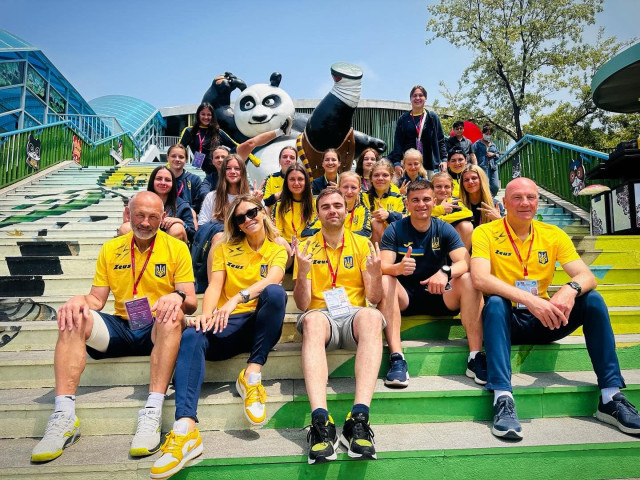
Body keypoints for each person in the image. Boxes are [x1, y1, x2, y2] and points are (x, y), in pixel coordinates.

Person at [31, 191, 197, 463]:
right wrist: (78, 300)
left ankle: (152, 411)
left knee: (172, 315)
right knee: (75, 315)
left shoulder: (176, 248)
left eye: (153, 217)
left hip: (156, 328)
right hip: (122, 326)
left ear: (163, 217)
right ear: (128, 214)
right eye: (139, 215)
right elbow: (96, 300)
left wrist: (176, 296)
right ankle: (63, 416)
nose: (145, 222)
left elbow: (190, 301)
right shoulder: (111, 248)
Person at [470, 177, 640, 439]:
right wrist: (530, 300)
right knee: (494, 302)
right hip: (506, 322)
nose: (524, 203)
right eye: (517, 197)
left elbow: (587, 276)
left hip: (545, 320)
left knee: (593, 300)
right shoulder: (485, 232)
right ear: (504, 202)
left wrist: (569, 290)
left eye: (530, 197)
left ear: (538, 202)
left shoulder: (553, 234)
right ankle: (502, 398)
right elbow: (480, 278)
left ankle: (610, 397)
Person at [150, 195, 287, 478]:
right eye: (240, 218)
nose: (248, 220)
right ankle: (185, 429)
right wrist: (206, 314)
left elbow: (272, 280)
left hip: (260, 325)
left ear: (263, 212)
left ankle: (251, 375)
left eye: (252, 212)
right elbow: (214, 286)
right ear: (236, 224)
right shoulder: (225, 248)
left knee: (275, 294)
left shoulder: (277, 250)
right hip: (227, 325)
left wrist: (236, 298)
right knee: (192, 335)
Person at [293, 188, 385, 464]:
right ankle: (321, 422)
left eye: (337, 205)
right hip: (322, 317)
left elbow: (374, 298)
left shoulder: (362, 243)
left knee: (372, 317)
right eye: (326, 207)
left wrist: (376, 275)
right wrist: (302, 273)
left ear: (347, 210)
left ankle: (358, 420)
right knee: (311, 320)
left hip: (354, 315)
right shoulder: (307, 247)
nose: (332, 210)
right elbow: (302, 304)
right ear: (318, 213)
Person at [379, 180, 484, 388]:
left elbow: (465, 262)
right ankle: (397, 358)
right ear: (407, 204)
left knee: (468, 280)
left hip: (440, 294)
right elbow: (383, 266)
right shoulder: (395, 229)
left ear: (434, 202)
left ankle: (475, 357)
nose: (421, 204)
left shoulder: (443, 228)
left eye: (426, 199)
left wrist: (445, 271)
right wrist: (397, 268)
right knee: (385, 280)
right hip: (406, 298)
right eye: (415, 200)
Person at [119, 166, 196, 244]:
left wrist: (182, 223)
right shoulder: (139, 201)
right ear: (152, 181)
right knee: (126, 228)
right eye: (159, 179)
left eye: (167, 180)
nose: (163, 183)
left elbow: (193, 237)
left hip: (168, 246)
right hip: (144, 241)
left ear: (173, 183)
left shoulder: (182, 206)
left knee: (177, 228)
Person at [388, 85, 447, 179]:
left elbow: (440, 139)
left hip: (430, 165)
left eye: (421, 95)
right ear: (410, 99)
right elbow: (398, 142)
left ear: (425, 98)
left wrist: (444, 159)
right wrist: (397, 162)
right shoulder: (403, 119)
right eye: (414, 95)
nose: (417, 98)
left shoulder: (432, 117)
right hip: (411, 165)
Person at [303, 171, 372, 239]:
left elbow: (366, 233)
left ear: (359, 190)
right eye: (345, 187)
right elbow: (306, 232)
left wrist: (337, 234)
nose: (349, 191)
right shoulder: (330, 211)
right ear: (338, 188)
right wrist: (331, 233)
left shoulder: (363, 210)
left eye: (353, 187)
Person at [362, 159, 406, 245]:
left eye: (385, 175)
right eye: (376, 175)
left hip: (395, 239)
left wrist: (389, 215)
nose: (380, 178)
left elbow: (408, 219)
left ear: (391, 177)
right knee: (377, 222)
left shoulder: (400, 199)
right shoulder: (362, 197)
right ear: (371, 178)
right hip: (368, 242)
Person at [272, 164, 315, 244]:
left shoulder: (315, 203)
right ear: (287, 182)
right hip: (287, 246)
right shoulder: (280, 205)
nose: (296, 183)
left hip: (310, 245)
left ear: (306, 181)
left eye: (300, 179)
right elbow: (278, 233)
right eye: (292, 179)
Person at [431, 172, 474, 251]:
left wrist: (441, 219)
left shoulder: (455, 202)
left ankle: (462, 256)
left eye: (447, 187)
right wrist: (440, 209)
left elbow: (469, 214)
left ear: (452, 188)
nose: (443, 190)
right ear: (431, 188)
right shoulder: (426, 201)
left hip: (449, 241)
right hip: (428, 239)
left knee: (466, 226)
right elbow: (413, 217)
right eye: (438, 186)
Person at [166, 144, 204, 213]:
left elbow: (197, 205)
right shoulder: (161, 179)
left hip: (187, 216)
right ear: (167, 157)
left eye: (181, 157)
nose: (177, 159)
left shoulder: (195, 180)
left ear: (186, 159)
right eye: (173, 156)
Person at [263, 146, 298, 211]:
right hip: (274, 214)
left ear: (296, 162)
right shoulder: (271, 178)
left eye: (292, 158)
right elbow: (264, 201)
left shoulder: (302, 179)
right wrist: (277, 196)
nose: (288, 159)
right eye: (285, 157)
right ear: (279, 161)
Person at [472, 124, 501, 197]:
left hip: (493, 167)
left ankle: (492, 198)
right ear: (483, 133)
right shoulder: (477, 144)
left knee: (495, 186)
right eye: (486, 133)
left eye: (490, 134)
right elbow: (472, 154)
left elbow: (498, 155)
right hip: (482, 167)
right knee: (485, 185)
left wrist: (493, 154)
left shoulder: (493, 145)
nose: (488, 135)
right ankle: (486, 199)